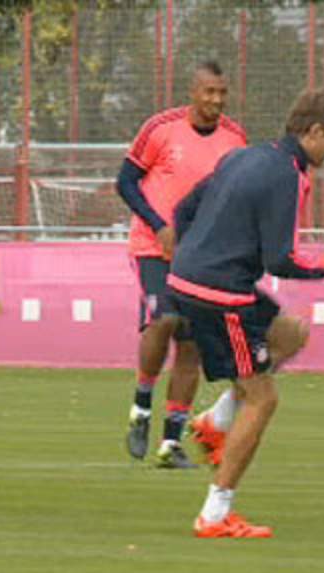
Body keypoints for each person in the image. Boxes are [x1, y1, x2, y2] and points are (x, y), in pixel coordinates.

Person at [168, 90, 324, 538]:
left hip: (192, 279)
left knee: (290, 334)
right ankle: (214, 514)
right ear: (314, 132)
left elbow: (182, 210)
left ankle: (215, 422)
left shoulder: (243, 156)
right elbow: (280, 260)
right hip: (220, 293)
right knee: (263, 398)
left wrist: (193, 256)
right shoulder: (290, 175)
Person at [117, 60, 248, 469]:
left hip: (200, 256)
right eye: (209, 91)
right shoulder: (161, 128)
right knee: (164, 320)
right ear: (193, 92)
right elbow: (125, 182)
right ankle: (141, 407)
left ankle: (170, 443)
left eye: (222, 93)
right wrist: (159, 227)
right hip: (153, 247)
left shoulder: (235, 139)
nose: (216, 100)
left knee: (191, 345)